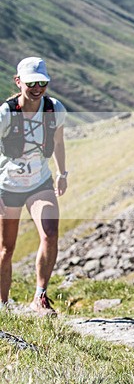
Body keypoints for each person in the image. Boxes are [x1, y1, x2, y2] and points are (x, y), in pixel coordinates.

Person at [0, 57, 68, 317]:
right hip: (8, 185)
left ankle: (40, 296)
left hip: (39, 182)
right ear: (19, 82)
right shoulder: (6, 113)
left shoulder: (54, 108)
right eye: (31, 83)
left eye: (42, 82)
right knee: (6, 248)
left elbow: (59, 143)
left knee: (50, 233)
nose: (37, 88)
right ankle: (2, 305)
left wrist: (62, 173)